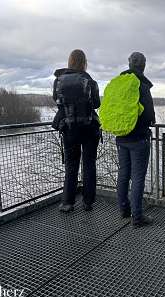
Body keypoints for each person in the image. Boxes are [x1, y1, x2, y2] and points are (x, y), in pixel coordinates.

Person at [102, 52, 155, 227]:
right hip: (139, 138)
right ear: (144, 65)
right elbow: (148, 114)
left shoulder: (120, 82)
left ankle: (124, 210)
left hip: (121, 135)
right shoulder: (141, 85)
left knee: (123, 174)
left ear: (129, 63)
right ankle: (137, 217)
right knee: (138, 177)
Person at [52, 49, 101, 212]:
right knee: (89, 165)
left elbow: (57, 101)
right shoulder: (88, 80)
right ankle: (88, 202)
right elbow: (96, 104)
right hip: (88, 128)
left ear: (70, 61)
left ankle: (67, 202)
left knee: (71, 166)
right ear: (84, 63)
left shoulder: (58, 80)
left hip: (69, 128)